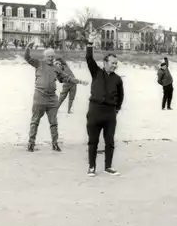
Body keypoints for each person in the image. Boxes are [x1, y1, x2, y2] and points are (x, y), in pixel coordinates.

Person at [24, 44, 88, 152]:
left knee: (53, 123)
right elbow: (27, 58)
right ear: (45, 56)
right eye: (48, 56)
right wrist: (27, 48)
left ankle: (55, 144)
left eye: (52, 56)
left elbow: (66, 78)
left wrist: (80, 81)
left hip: (52, 99)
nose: (50, 58)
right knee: (35, 121)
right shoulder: (39, 63)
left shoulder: (56, 68)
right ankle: (31, 143)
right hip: (39, 96)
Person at [85, 38, 124, 177]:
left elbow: (121, 96)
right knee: (93, 141)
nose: (114, 66)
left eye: (116, 64)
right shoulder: (96, 72)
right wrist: (90, 43)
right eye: (112, 63)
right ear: (105, 63)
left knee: (110, 141)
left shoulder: (118, 79)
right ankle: (91, 167)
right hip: (95, 110)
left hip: (110, 113)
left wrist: (116, 109)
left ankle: (108, 166)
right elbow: (89, 58)